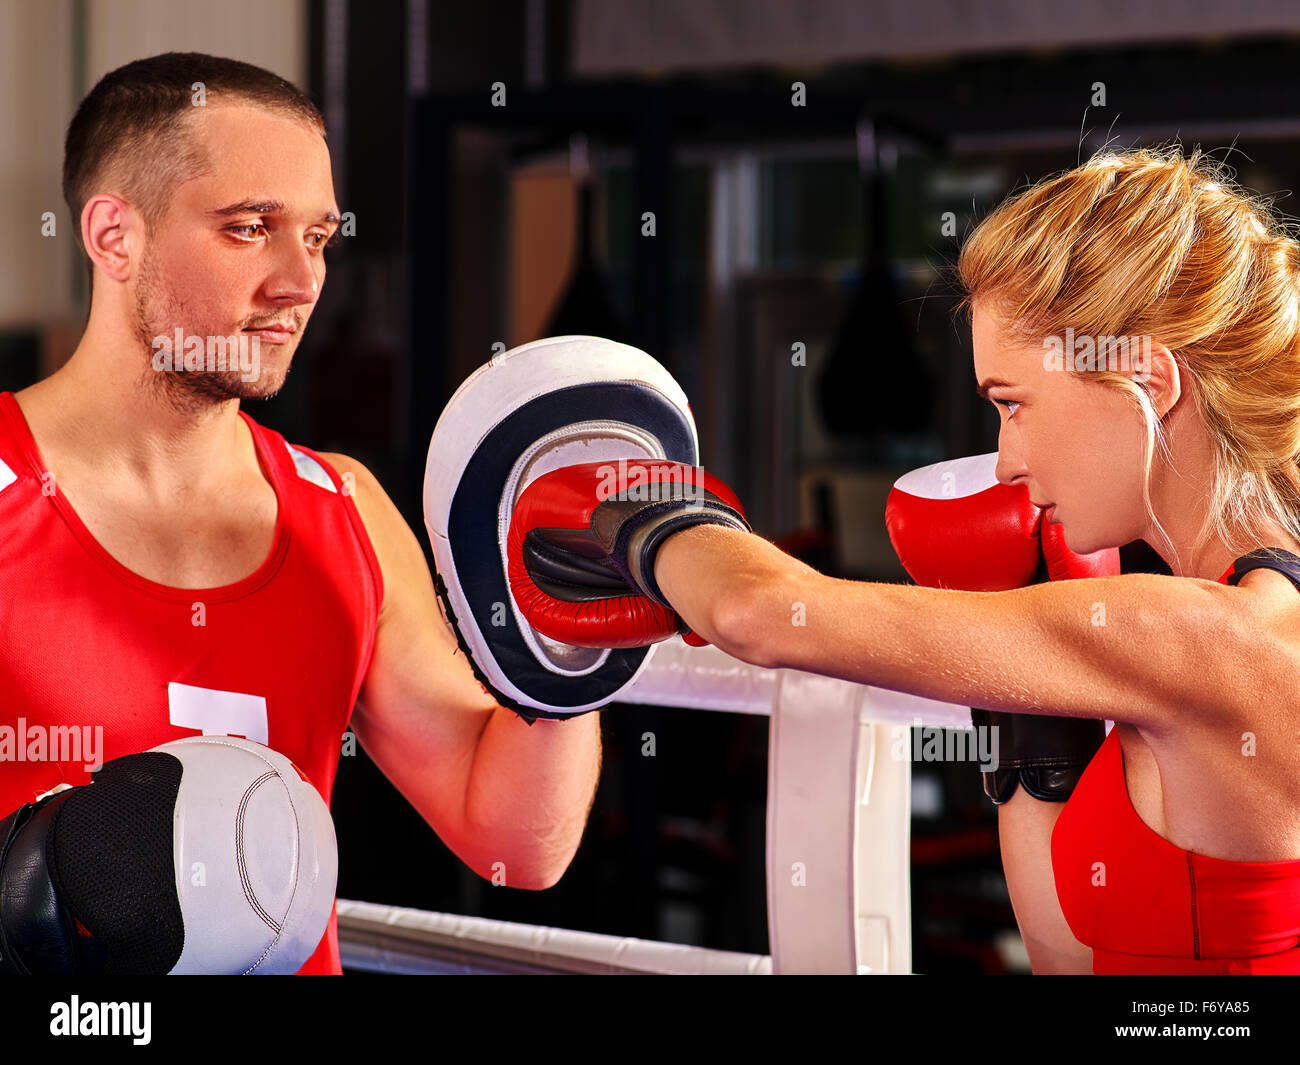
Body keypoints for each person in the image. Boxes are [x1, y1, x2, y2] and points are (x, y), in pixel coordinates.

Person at [516, 146, 1300, 973]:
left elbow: (759, 612)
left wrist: (638, 517)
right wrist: (1031, 722)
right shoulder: (1206, 623)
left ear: (1150, 380)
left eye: (1014, 404)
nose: (1004, 461)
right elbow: (1072, 955)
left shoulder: (1199, 636)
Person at [0, 52, 600, 974]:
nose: (300, 280)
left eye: (317, 236)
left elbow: (516, 845)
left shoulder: (345, 508)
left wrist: (569, 641)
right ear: (114, 236)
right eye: (250, 228)